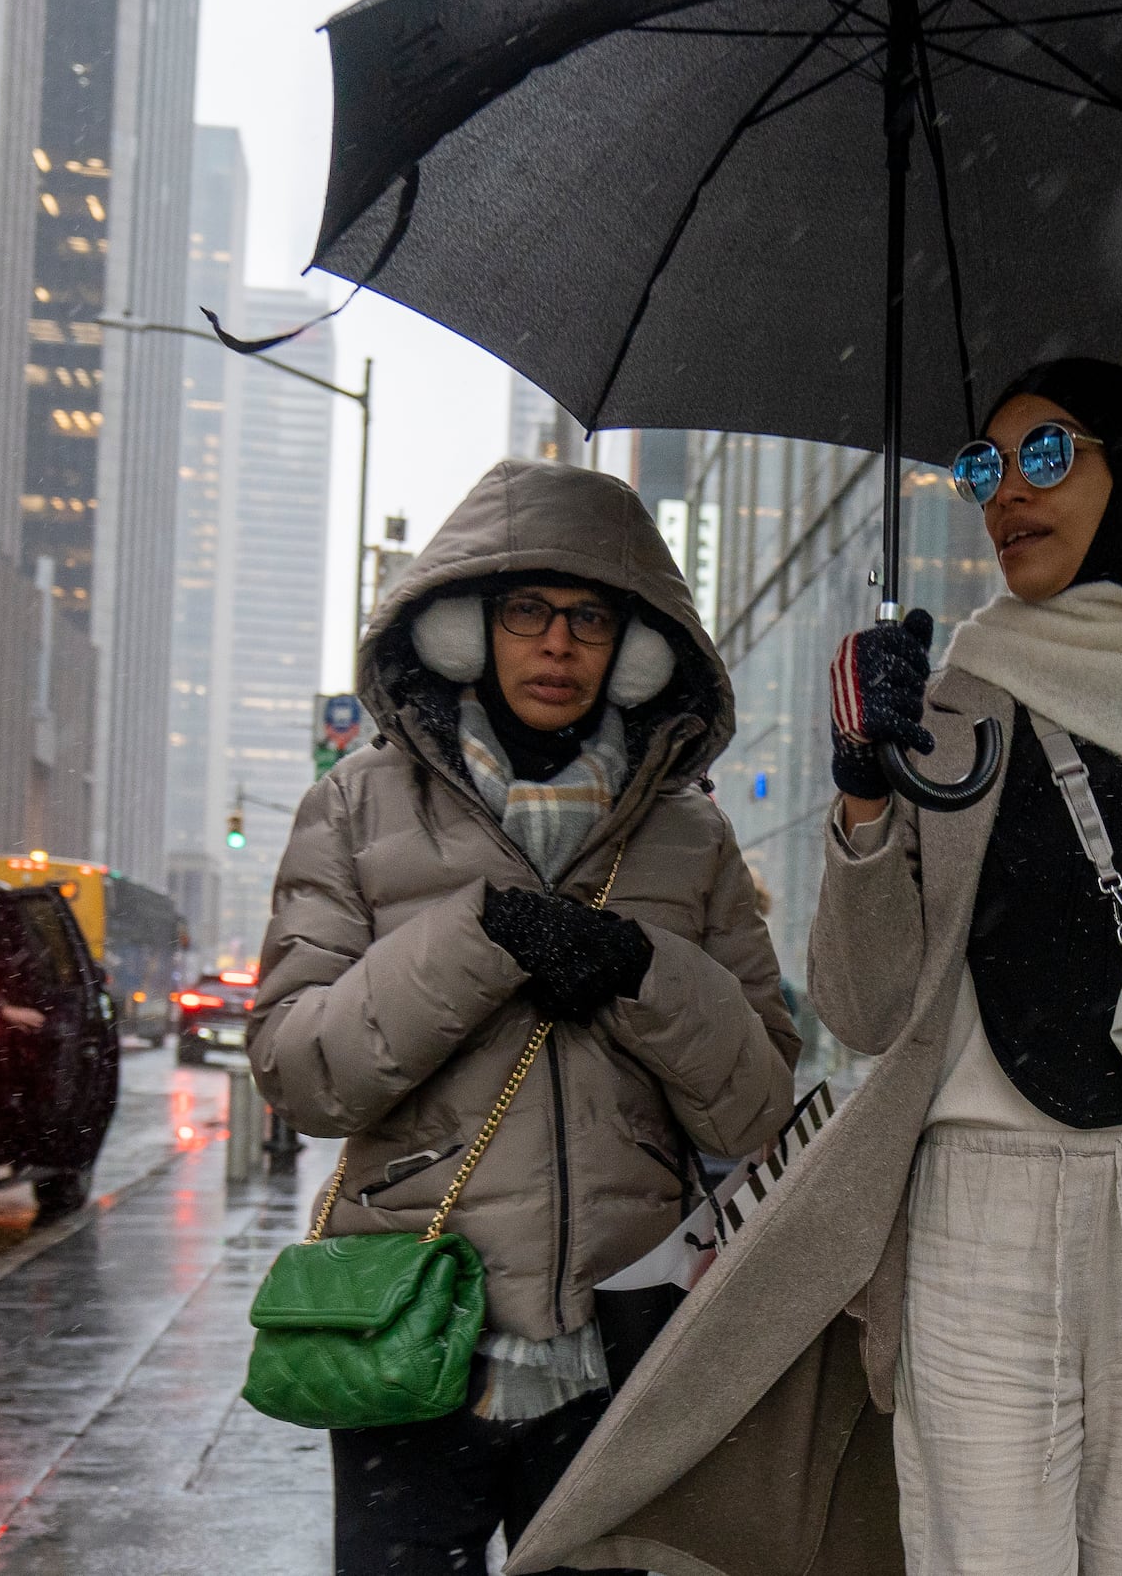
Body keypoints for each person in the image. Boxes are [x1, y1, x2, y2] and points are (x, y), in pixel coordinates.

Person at [509, 361, 1122, 1576]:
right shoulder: (950, 701)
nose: (1006, 492)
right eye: (983, 466)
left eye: (1047, 456)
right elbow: (861, 1006)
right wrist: (863, 794)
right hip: (977, 1210)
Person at [248, 458, 801, 1576]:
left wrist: (640, 971)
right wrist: (479, 941)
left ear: (639, 650)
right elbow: (299, 1070)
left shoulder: (691, 841)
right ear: (462, 630)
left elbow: (757, 1103)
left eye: (591, 617)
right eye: (527, 612)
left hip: (627, 1344)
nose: (558, 644)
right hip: (408, 1332)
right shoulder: (352, 808)